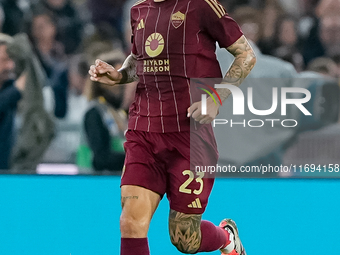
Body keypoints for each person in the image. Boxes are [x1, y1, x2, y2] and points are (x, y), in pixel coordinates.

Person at [89, 0, 256, 255]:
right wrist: (120, 75)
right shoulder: (139, 11)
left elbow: (246, 54)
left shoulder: (201, 6)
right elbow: (139, 59)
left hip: (190, 137)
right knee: (130, 222)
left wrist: (216, 98)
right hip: (143, 133)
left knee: (184, 239)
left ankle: (226, 239)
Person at [0, 35, 25, 170]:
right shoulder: (13, 91)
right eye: (4, 60)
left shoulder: (10, 87)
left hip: (8, 173)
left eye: (11, 60)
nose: (9, 66)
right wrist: (16, 90)